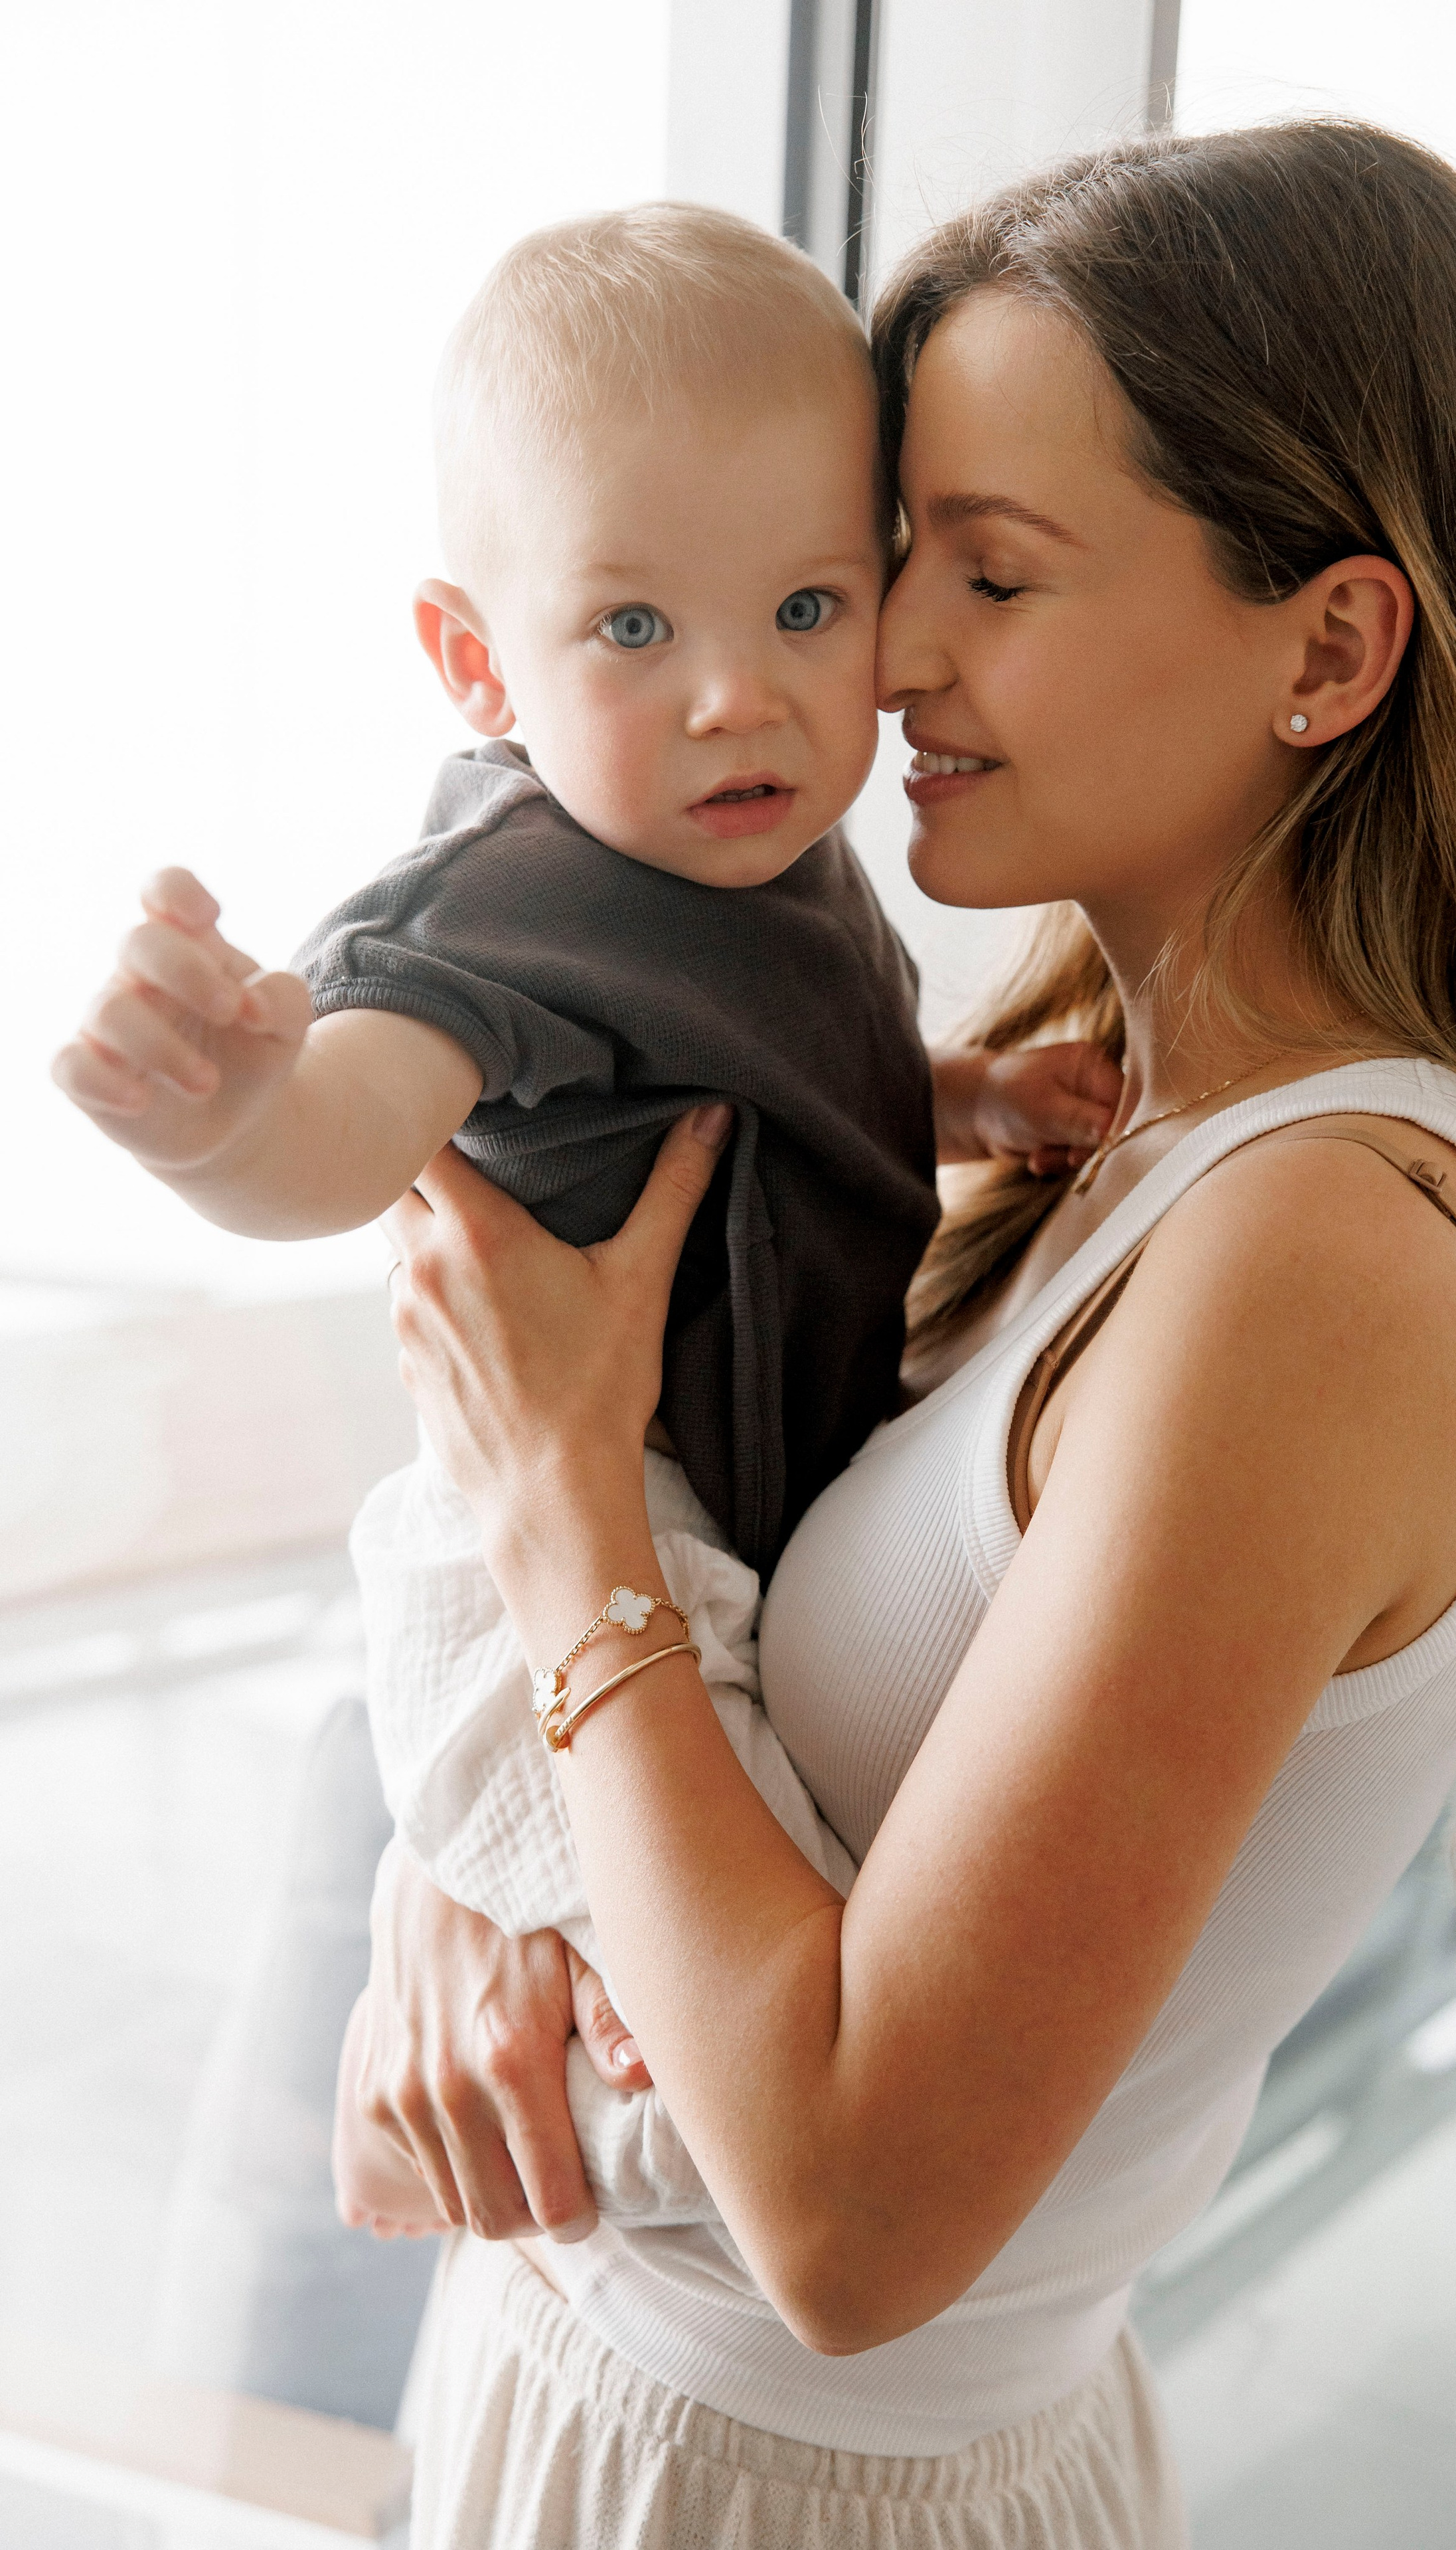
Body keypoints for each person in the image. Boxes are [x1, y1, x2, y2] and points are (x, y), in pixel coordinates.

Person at [355, 122, 1456, 2548]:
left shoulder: (1324, 1265)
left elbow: (858, 2223)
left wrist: (558, 1515)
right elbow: (764, 1678)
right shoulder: (1133, 1131)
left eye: (987, 572)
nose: (890, 658)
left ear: (1331, 648)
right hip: (637, 2402)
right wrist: (470, 1884)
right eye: (895, 568)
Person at [51, 208, 1107, 2234]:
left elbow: (789, 1087)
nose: (740, 699)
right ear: (476, 660)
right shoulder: (506, 894)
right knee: (747, 1939)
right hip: (563, 1536)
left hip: (680, 1519)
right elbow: (352, 1142)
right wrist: (218, 1123)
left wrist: (966, 1101)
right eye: (635, 631)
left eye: (807, 609)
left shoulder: (777, 863)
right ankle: (603, 2037)